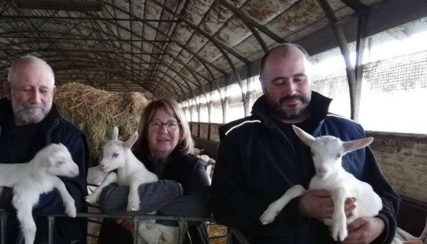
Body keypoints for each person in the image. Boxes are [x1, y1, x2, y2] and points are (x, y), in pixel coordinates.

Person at [211, 43, 400, 244]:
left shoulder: (349, 131)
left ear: (310, 78)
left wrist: (381, 224)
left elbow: (386, 194)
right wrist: (297, 208)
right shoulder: (238, 137)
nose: (290, 90)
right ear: (263, 83)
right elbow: (223, 206)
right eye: (279, 81)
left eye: (299, 79)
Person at [0, 55, 89, 244]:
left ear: (53, 92)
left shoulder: (67, 136)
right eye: (26, 89)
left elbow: (75, 197)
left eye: (43, 90)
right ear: (7, 89)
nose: (36, 99)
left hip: (44, 238)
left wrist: (4, 197)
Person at [96, 98, 212, 244]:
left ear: (181, 131)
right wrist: (169, 191)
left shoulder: (193, 166)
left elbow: (202, 205)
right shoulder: (126, 160)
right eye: (156, 123)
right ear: (145, 131)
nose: (163, 130)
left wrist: (142, 215)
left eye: (171, 123)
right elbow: (108, 200)